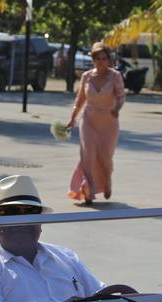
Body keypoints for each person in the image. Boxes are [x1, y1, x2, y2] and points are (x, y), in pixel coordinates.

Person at [0, 175, 103, 302]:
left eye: (30, 212)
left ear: (40, 221)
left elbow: (103, 296)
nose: (21, 221)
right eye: (10, 213)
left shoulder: (67, 257)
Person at [67, 42, 125, 204]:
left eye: (104, 58)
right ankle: (89, 189)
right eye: (98, 58)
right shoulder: (87, 76)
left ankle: (107, 182)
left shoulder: (115, 76)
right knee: (88, 154)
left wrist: (117, 108)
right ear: (93, 60)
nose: (101, 61)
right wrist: (72, 118)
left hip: (109, 121)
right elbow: (79, 101)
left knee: (105, 157)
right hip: (89, 120)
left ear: (108, 60)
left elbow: (121, 96)